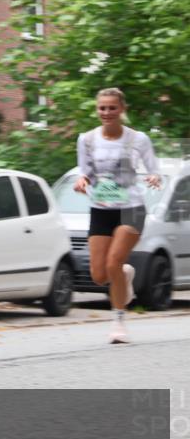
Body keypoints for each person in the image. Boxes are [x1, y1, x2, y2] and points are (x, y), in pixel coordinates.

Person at [73, 87, 161, 344]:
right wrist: (82, 181)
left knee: (113, 262)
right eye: (102, 108)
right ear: (97, 110)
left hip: (131, 209)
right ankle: (125, 274)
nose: (107, 112)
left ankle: (118, 322)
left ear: (122, 109)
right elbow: (86, 172)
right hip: (101, 209)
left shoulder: (138, 139)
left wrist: (154, 176)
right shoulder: (87, 139)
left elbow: (153, 169)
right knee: (99, 275)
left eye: (112, 107)